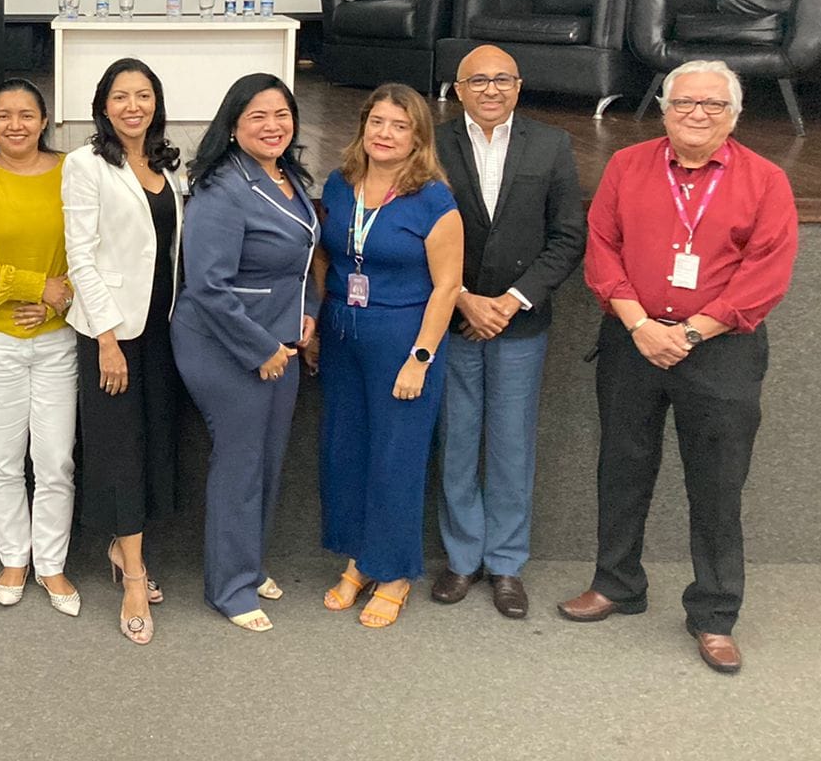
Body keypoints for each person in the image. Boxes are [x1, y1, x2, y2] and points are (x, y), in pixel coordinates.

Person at [560, 60, 796, 675]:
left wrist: (689, 332)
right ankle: (616, 584)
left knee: (717, 483)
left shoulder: (766, 180)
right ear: (664, 111)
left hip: (720, 350)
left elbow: (765, 276)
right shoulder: (625, 166)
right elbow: (602, 249)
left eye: (713, 105)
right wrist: (641, 325)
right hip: (632, 340)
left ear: (734, 116)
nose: (697, 113)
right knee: (622, 466)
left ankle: (715, 614)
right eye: (684, 102)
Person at [430, 46, 586, 618]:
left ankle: (505, 563)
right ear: (458, 90)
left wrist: (511, 302)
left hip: (520, 322)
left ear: (518, 86)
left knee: (511, 445)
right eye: (478, 81)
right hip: (453, 317)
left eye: (502, 79)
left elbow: (568, 236)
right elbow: (415, 228)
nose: (491, 89)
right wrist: (463, 299)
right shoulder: (433, 144)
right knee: (457, 442)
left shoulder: (552, 144)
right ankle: (462, 557)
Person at [171, 73, 318, 633]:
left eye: (282, 114)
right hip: (223, 343)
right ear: (233, 127)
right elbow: (207, 286)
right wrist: (260, 349)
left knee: (269, 459)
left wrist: (308, 314)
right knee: (240, 463)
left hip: (280, 339)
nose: (273, 126)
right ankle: (229, 588)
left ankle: (250, 565)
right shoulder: (221, 188)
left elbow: (300, 259)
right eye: (258, 116)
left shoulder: (286, 175)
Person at [317, 82, 462, 629]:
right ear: (362, 127)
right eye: (377, 122)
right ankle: (361, 559)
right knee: (347, 452)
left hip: (403, 340)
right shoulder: (340, 183)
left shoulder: (434, 200)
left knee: (395, 458)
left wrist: (420, 357)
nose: (385, 134)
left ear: (418, 138)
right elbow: (326, 257)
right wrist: (315, 327)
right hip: (341, 335)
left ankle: (395, 572)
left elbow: (447, 286)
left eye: (400, 126)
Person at [62, 59, 184, 645]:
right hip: (112, 334)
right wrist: (107, 339)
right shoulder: (85, 164)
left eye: (143, 95)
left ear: (155, 103)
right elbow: (80, 255)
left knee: (153, 442)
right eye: (120, 96)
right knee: (121, 452)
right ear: (103, 106)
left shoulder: (165, 162)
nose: (133, 106)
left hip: (161, 326)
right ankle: (133, 576)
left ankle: (122, 547)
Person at [0, 78, 81, 616]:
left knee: (55, 460)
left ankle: (51, 563)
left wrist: (57, 301)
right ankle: (13, 558)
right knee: (3, 460)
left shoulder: (73, 171)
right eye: (4, 115)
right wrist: (35, 286)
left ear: (44, 120)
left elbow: (91, 249)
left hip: (58, 338)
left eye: (27, 114)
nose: (15, 124)